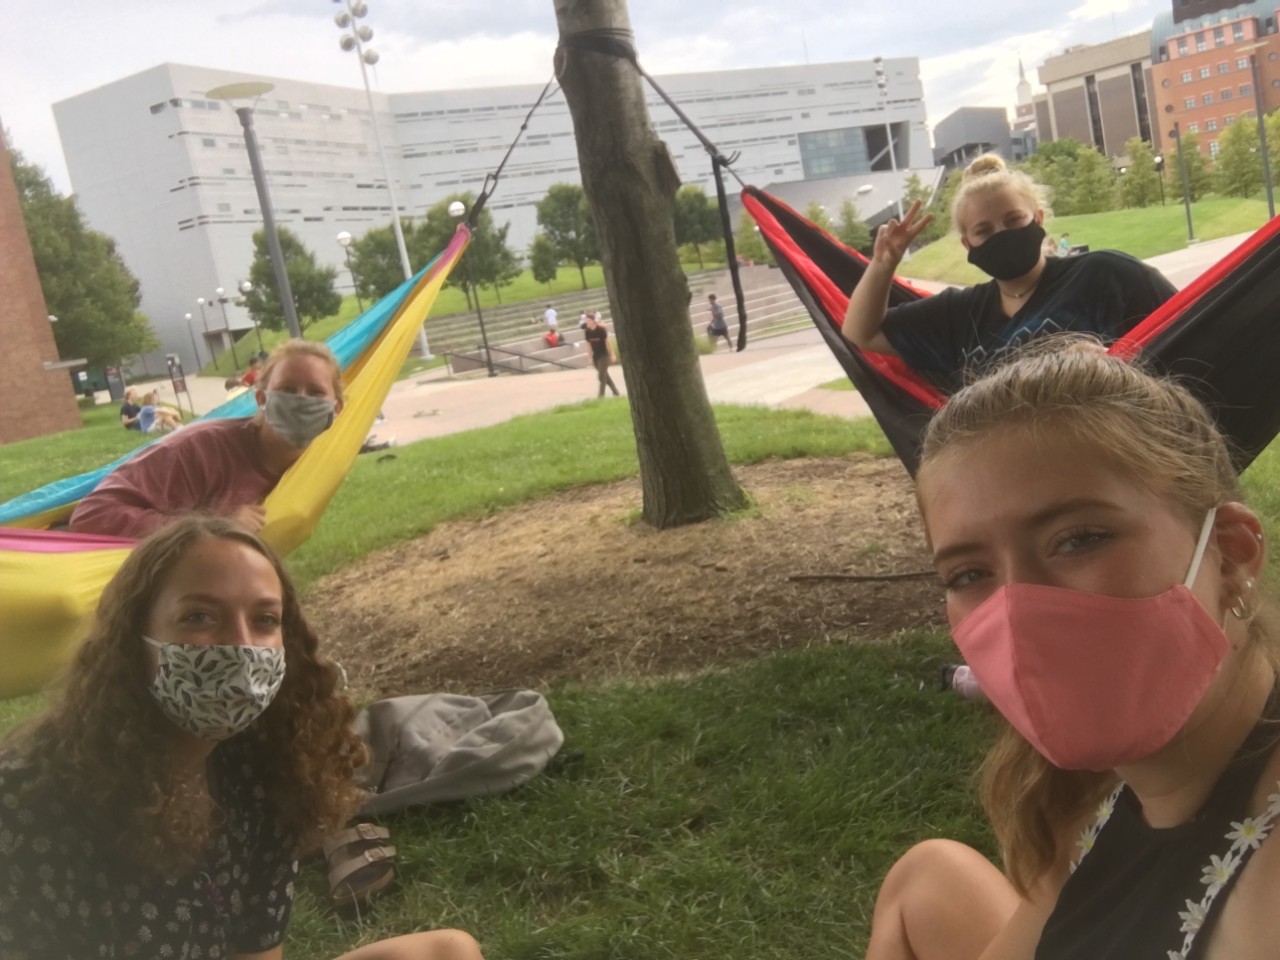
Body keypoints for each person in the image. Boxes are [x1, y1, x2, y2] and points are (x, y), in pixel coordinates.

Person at [864, 341, 1279, 959]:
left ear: (1231, 554)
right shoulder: (1089, 805)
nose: (1020, 608)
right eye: (968, 575)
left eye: (1078, 539)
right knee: (926, 876)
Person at [0, 515, 484, 960]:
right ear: (134, 638)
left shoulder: (264, 769)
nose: (241, 645)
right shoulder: (28, 806)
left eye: (264, 620)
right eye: (200, 617)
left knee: (448, 951)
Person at [841, 154, 1175, 393]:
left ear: (1038, 219)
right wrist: (883, 264)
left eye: (1013, 220)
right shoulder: (957, 316)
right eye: (983, 231)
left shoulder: (1104, 276)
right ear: (968, 244)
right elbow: (860, 332)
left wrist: (1115, 367)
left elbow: (1188, 335)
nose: (1001, 235)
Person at [70, 339, 344, 539]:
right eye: (287, 389)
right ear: (261, 399)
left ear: (337, 408)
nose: (300, 400)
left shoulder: (316, 465)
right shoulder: (197, 449)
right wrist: (211, 527)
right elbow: (91, 515)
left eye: (316, 392)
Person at [583, 311, 620, 397]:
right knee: (605, 375)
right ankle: (616, 392)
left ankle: (601, 396)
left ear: (593, 321)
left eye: (588, 320)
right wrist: (589, 357)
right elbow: (589, 345)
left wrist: (613, 354)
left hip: (604, 355)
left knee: (601, 376)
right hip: (596, 356)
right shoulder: (587, 331)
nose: (587, 322)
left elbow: (607, 343)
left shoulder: (601, 330)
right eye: (586, 320)